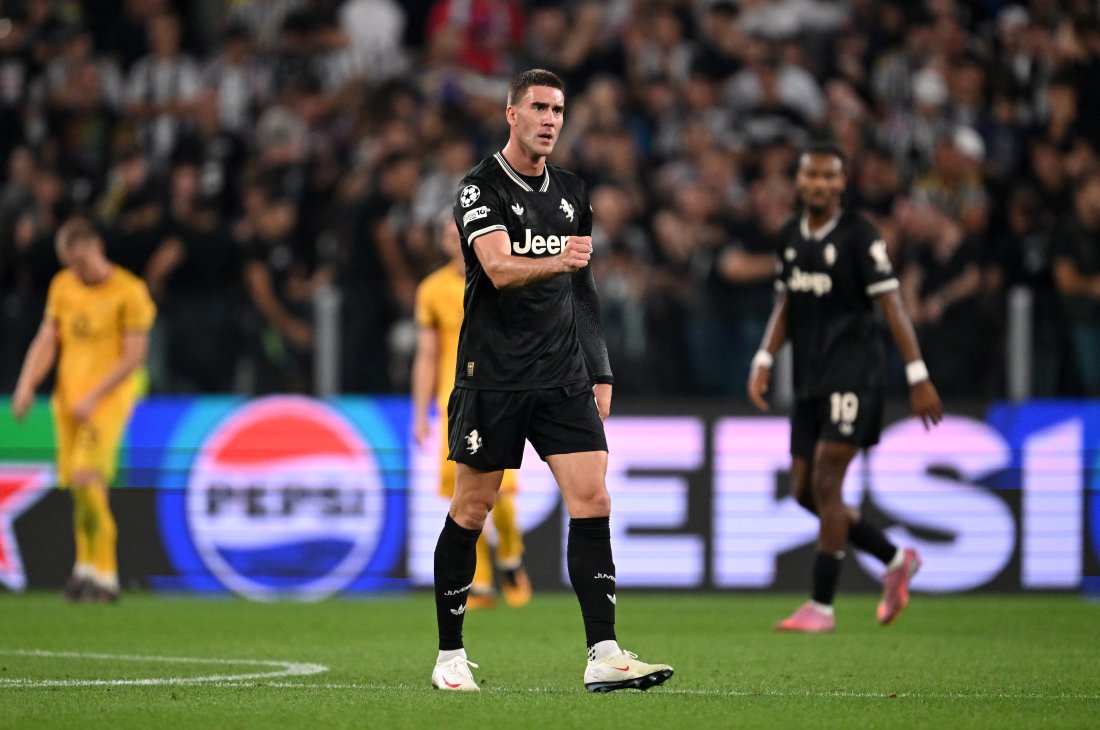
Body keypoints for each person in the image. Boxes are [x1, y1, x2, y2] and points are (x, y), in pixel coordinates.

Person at [429, 68, 673, 693]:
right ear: (511, 114)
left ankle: (604, 653)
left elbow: (583, 286)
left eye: (558, 110)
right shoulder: (478, 188)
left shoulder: (571, 191)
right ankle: (450, 657)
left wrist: (600, 367)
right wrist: (558, 257)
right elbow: (498, 267)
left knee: (593, 500)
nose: (549, 119)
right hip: (495, 377)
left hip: (563, 374)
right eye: (538, 107)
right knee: (473, 506)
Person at [747, 144, 944, 633]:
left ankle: (821, 606)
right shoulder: (790, 235)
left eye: (828, 177)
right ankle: (896, 558)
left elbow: (893, 305)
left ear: (841, 183)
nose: (818, 184)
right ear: (799, 182)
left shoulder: (860, 235)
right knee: (804, 491)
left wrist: (917, 375)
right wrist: (765, 356)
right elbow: (786, 302)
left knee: (828, 482)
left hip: (855, 374)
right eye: (810, 175)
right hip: (811, 378)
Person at [11, 218, 156, 602]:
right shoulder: (63, 287)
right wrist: (26, 384)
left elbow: (134, 357)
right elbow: (48, 339)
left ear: (99, 249)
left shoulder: (131, 292)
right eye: (71, 264)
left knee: (87, 476)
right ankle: (84, 569)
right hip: (67, 400)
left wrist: (95, 395)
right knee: (77, 486)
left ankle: (107, 576)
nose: (78, 271)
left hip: (107, 401)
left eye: (82, 262)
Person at [412, 211, 532, 610]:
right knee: (465, 498)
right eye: (448, 234)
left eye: (459, 233)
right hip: (456, 403)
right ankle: (480, 584)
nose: (454, 240)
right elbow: (428, 354)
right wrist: (420, 413)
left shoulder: (500, 276)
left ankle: (511, 554)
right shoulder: (431, 289)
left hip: (499, 397)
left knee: (504, 500)